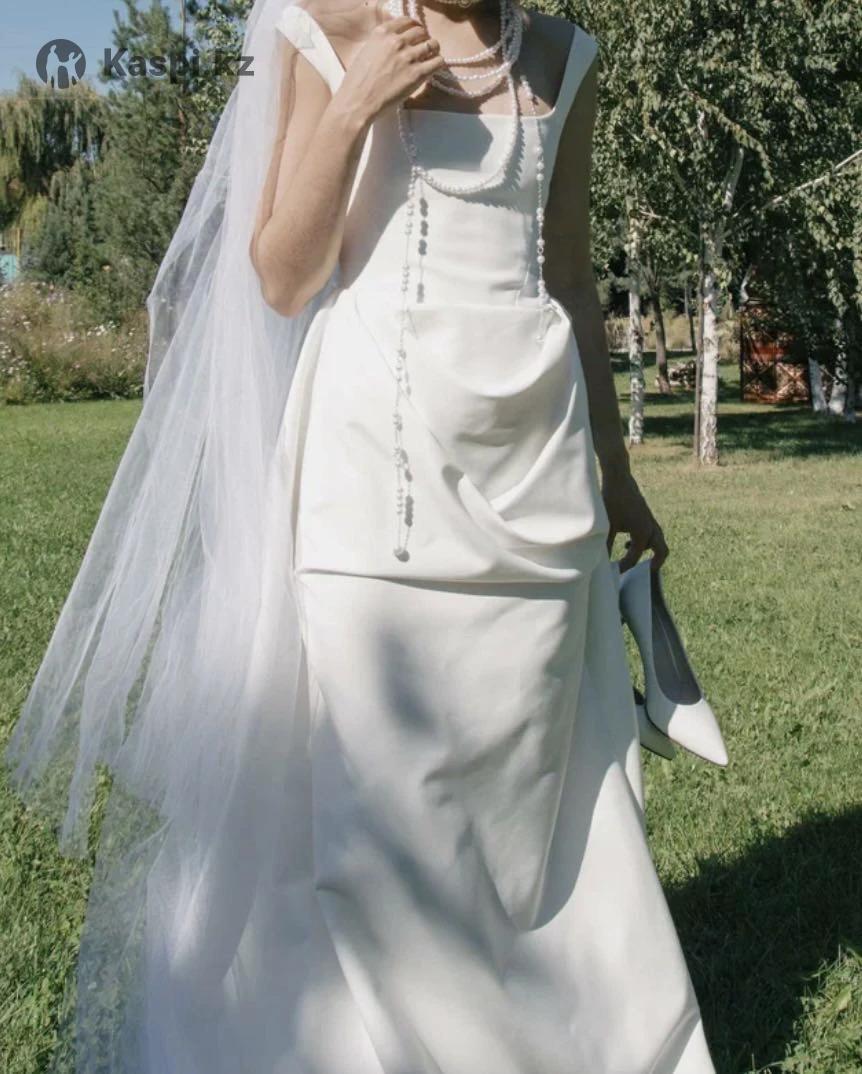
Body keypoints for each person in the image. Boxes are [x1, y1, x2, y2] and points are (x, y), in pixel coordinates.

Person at [4, 0, 715, 1070]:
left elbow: (569, 280)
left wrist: (616, 480)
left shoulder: (565, 57)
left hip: (537, 483)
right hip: (372, 480)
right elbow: (283, 278)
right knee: (375, 803)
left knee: (534, 796)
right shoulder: (321, 27)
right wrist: (354, 105)